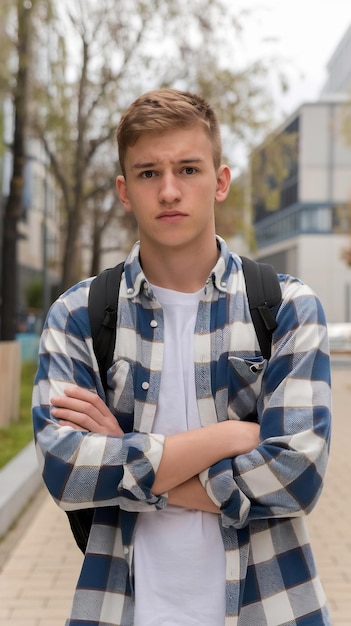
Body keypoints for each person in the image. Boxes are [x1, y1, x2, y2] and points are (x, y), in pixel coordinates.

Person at [32, 88, 332, 626]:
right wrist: (229, 437)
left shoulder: (287, 306)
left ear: (219, 181)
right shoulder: (79, 314)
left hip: (273, 606)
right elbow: (66, 472)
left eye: (188, 169)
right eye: (148, 173)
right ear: (125, 191)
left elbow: (296, 476)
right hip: (122, 609)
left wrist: (127, 457)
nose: (169, 190)